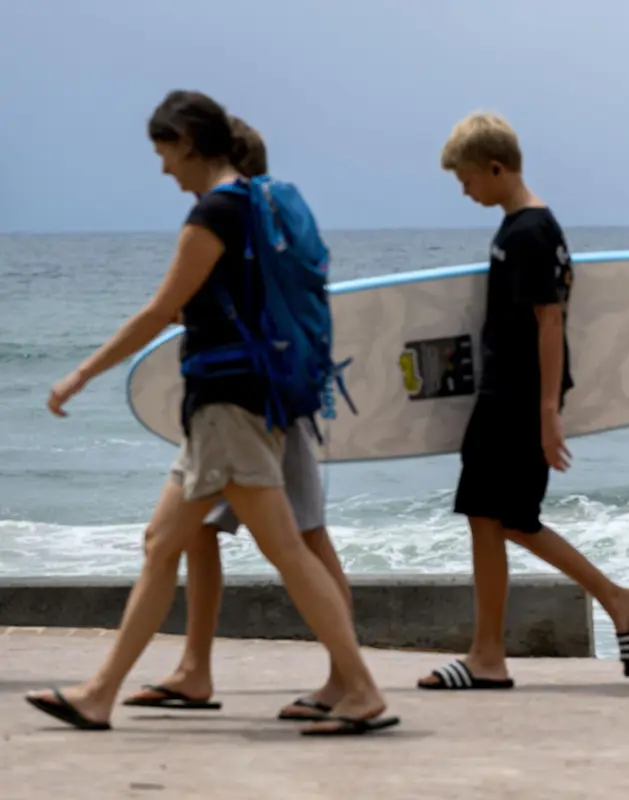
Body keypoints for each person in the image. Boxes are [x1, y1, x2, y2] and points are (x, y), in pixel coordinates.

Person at [26, 89, 397, 736]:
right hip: (232, 406)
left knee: (286, 549)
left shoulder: (216, 213)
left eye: (164, 151)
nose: (163, 168)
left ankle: (360, 687)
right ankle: (101, 693)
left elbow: (157, 311)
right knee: (162, 542)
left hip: (229, 407)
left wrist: (80, 375)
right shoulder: (253, 204)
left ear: (188, 142)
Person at [119, 117, 355, 722]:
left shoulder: (248, 220)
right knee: (193, 531)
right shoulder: (261, 231)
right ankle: (194, 669)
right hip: (264, 399)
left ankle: (347, 680)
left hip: (264, 407)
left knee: (302, 538)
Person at [418, 111, 629, 691]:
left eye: (468, 177)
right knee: (493, 517)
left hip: (517, 397)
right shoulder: (525, 227)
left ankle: (502, 651)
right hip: (511, 393)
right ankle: (502, 647)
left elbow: (550, 322)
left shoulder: (528, 232)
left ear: (497, 167)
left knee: (503, 518)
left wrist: (547, 413)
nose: (464, 189)